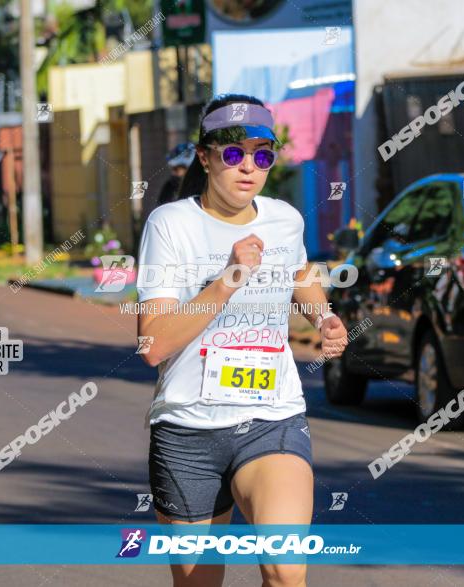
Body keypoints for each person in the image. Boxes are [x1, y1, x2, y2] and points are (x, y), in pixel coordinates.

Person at [137, 94, 348, 587]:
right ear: (206, 156)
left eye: (262, 154)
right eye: (233, 154)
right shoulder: (170, 225)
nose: (248, 166)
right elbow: (153, 345)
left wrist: (324, 317)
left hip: (271, 418)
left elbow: (298, 270)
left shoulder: (284, 219)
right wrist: (228, 277)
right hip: (188, 428)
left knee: (285, 567)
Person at [156, 142, 195, 207]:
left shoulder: (204, 188)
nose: (173, 173)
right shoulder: (170, 186)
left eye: (176, 169)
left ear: (190, 168)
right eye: (172, 168)